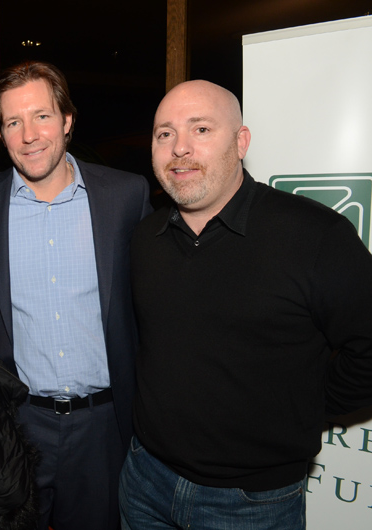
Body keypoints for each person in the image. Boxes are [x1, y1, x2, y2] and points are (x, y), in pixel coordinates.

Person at [120, 80, 372, 530]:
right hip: (144, 481)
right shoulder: (144, 238)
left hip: (252, 504)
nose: (180, 148)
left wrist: (303, 406)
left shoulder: (315, 236)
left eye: (201, 129)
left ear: (241, 142)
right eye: (164, 134)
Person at [0, 61, 152, 530]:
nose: (28, 135)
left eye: (41, 116)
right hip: (16, 425)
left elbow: (153, 306)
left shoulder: (125, 196)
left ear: (67, 120)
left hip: (104, 426)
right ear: (0, 134)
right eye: (12, 122)